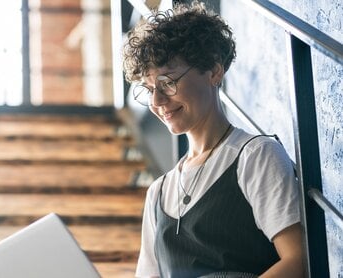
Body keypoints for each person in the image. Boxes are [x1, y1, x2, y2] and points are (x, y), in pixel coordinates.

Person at [122, 1, 304, 277]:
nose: (157, 101)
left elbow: (299, 261)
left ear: (214, 72)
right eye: (148, 90)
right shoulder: (158, 193)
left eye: (168, 82)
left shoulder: (255, 156)